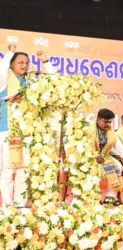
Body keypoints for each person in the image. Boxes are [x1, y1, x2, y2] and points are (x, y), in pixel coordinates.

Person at [0, 45, 55, 207]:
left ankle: (19, 201)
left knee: (24, 169)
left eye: (27, 62)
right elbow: (2, 68)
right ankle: (8, 203)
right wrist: (9, 53)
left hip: (27, 131)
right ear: (11, 64)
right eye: (20, 62)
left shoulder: (30, 81)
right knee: (9, 170)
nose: (24, 66)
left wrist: (45, 61)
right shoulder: (4, 80)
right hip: (9, 130)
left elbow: (54, 81)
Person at [90, 109, 123, 205]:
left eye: (110, 122)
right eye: (105, 121)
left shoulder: (111, 133)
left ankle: (111, 196)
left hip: (104, 156)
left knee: (118, 166)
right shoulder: (89, 130)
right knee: (93, 170)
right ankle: (92, 197)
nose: (108, 125)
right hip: (88, 156)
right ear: (98, 120)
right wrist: (94, 157)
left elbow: (119, 146)